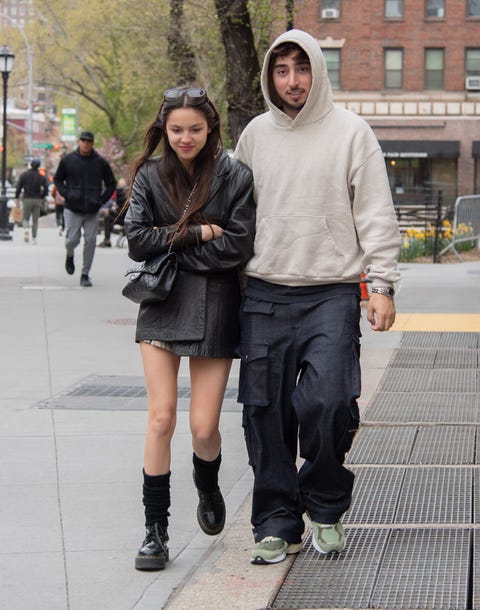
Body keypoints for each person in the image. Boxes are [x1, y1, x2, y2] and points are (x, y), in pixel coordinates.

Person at [234, 29, 402, 565]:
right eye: (281, 71)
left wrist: (381, 285)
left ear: (317, 71)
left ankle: (326, 509)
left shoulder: (352, 132)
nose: (292, 81)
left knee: (329, 402)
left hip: (330, 291)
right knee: (265, 412)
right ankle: (277, 521)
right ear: (270, 76)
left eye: (300, 69)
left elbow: (375, 210)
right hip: (263, 290)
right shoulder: (255, 135)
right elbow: (236, 214)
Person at [123, 86, 255, 571]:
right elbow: (137, 242)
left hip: (216, 304)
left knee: (203, 428)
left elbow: (237, 247)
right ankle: (154, 531)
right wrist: (198, 232)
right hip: (161, 302)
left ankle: (208, 481)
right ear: (164, 129)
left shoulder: (235, 174)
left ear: (211, 128)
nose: (185, 138)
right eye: (176, 129)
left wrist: (170, 246)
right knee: (160, 419)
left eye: (194, 129)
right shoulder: (149, 176)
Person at [53, 131, 116, 286]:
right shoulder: (68, 160)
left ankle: (85, 274)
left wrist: (101, 200)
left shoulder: (100, 163)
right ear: (79, 142)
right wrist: (66, 193)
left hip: (92, 209)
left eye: (89, 141)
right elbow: (57, 179)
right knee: (71, 240)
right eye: (83, 140)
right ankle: (70, 254)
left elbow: (111, 183)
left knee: (90, 240)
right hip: (72, 207)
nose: (86, 143)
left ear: (92, 143)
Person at [14, 158, 49, 244]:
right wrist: (42, 196)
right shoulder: (41, 177)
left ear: (31, 165)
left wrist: (16, 197)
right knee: (35, 220)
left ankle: (26, 229)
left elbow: (18, 187)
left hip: (26, 198)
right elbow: (46, 188)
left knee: (25, 218)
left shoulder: (24, 175)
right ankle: (34, 238)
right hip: (37, 199)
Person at [98, 178, 129, 247]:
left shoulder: (122, 196)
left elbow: (120, 213)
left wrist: (109, 211)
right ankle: (107, 239)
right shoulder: (124, 195)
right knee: (108, 218)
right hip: (124, 218)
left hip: (124, 220)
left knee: (108, 218)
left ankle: (107, 240)